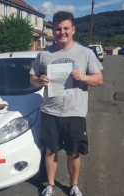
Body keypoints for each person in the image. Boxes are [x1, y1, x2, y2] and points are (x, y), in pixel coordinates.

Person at [29, 11, 103, 196]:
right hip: (50, 112)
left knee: (73, 152)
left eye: (66, 28)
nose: (62, 32)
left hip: (75, 112)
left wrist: (84, 77)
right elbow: (32, 77)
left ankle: (74, 185)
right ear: (53, 31)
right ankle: (51, 185)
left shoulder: (85, 53)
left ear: (73, 29)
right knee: (50, 150)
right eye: (58, 29)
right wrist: (40, 81)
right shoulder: (44, 54)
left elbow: (99, 79)